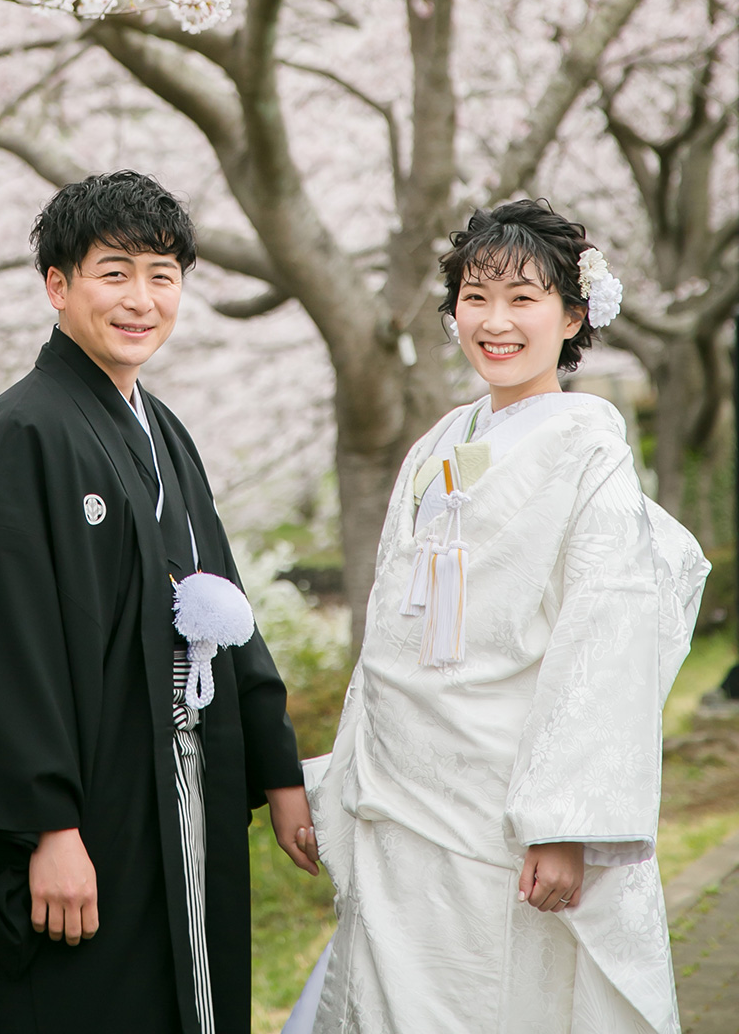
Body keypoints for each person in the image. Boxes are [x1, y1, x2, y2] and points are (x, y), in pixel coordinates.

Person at [292, 199, 708, 1034]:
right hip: (405, 795)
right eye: (475, 298)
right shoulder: (439, 441)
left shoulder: (590, 452)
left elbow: (607, 638)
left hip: (505, 806)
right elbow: (390, 631)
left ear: (574, 314)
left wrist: (568, 826)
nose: (496, 321)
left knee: (494, 998)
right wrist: (341, 773)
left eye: (524, 298)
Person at [0, 171, 317, 1034]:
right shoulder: (23, 432)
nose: (141, 299)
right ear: (57, 286)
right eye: (115, 273)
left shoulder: (162, 427)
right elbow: (6, 646)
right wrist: (47, 829)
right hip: (92, 809)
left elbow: (222, 602)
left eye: (162, 275)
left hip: (176, 789)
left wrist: (276, 764)